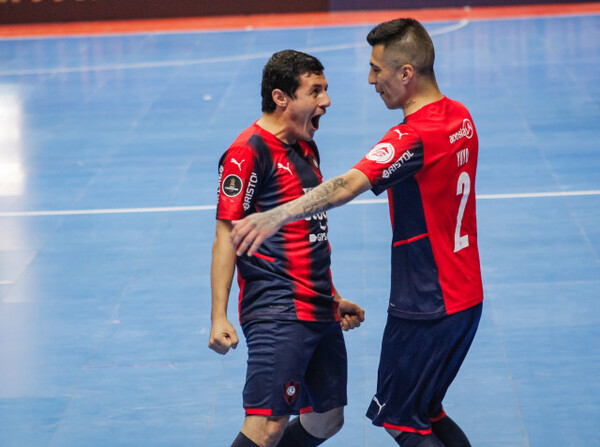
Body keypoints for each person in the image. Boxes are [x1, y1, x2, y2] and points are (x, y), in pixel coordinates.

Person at [230, 19, 484, 447]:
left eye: (376, 69)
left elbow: (346, 185)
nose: (370, 80)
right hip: (467, 296)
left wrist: (276, 215)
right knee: (426, 410)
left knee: (402, 420)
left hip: (427, 300)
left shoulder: (411, 136)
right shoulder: (460, 116)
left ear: (405, 73)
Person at [209, 49, 365, 447]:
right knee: (268, 426)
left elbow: (309, 233)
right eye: (315, 91)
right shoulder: (248, 152)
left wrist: (333, 296)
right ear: (281, 98)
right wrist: (218, 317)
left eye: (326, 90)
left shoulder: (306, 146)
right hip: (277, 308)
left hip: (318, 305)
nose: (326, 101)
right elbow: (226, 235)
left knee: (327, 420)